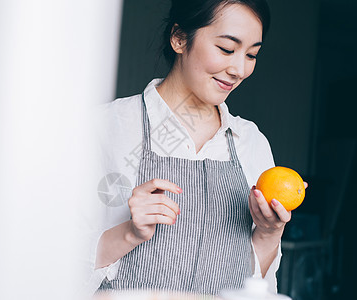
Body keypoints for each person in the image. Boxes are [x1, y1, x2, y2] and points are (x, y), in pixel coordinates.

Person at [92, 0, 299, 295]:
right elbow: (53, 259)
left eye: (252, 54)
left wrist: (268, 233)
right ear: (178, 38)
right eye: (227, 49)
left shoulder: (251, 142)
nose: (239, 69)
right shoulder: (109, 127)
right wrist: (129, 232)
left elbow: (254, 286)